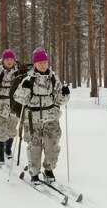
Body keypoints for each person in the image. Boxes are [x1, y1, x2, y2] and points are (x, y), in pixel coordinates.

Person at [13, 47, 70, 184]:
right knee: (35, 147)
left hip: (51, 118)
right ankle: (34, 173)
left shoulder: (53, 78)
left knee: (52, 146)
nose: (43, 65)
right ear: (35, 64)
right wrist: (24, 89)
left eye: (45, 62)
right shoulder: (29, 79)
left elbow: (61, 100)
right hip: (33, 120)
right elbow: (17, 97)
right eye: (40, 63)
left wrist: (65, 93)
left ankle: (49, 169)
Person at [0, 49, 25, 166]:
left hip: (13, 105)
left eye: (11, 59)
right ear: (3, 60)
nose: (9, 61)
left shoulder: (19, 72)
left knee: (12, 130)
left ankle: (8, 149)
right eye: (7, 59)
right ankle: (0, 156)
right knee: (1, 131)